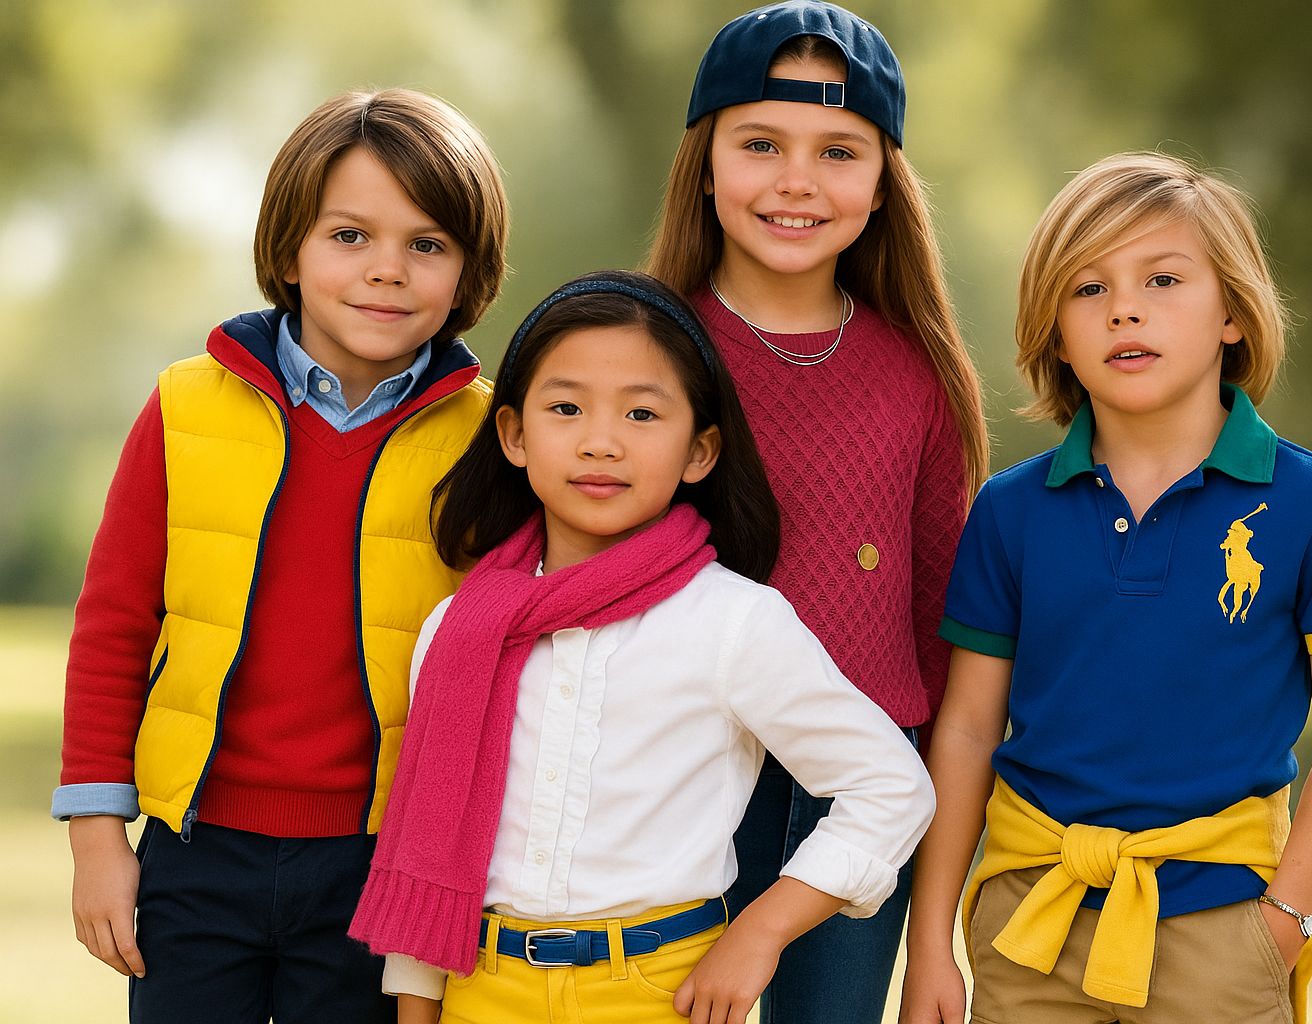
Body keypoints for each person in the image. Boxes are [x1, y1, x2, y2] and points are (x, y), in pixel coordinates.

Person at [347, 270, 935, 1024]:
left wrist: (761, 931)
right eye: (566, 408)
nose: (601, 442)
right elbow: (425, 839)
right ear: (515, 435)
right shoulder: (458, 628)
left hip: (662, 990)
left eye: (642, 413)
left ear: (700, 450)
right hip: (479, 991)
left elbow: (891, 786)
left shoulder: (734, 622)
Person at [900, 152, 1312, 1024]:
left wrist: (1281, 923)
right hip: (1031, 925)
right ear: (1056, 333)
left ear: (1232, 312)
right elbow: (968, 732)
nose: (1123, 308)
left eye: (1162, 279)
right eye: (1087, 288)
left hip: (1225, 929)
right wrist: (930, 941)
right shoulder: (1009, 512)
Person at [53, 88, 509, 1023]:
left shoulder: (494, 438)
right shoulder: (185, 407)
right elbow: (112, 626)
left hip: (381, 860)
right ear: (289, 250)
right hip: (195, 851)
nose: (387, 270)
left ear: (469, 269)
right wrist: (98, 838)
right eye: (350, 235)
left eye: (427, 244)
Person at [644, 4, 988, 1018]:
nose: (797, 180)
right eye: (760, 144)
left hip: (862, 792)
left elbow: (944, 646)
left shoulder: (918, 373)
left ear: (881, 184)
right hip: (678, 776)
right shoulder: (642, 352)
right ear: (705, 166)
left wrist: (933, 929)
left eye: (838, 151)